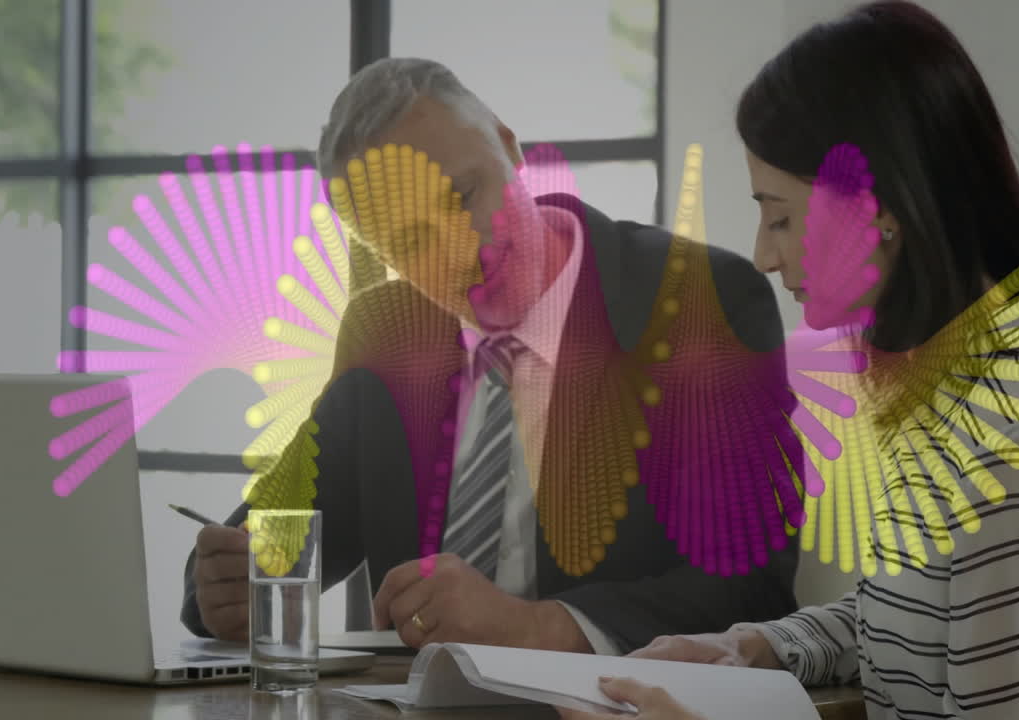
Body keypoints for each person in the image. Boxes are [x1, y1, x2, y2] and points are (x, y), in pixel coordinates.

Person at [560, 1, 1019, 717]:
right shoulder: (958, 392)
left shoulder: (1012, 448)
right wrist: (756, 646)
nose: (764, 254)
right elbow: (913, 617)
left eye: (781, 215)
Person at [180, 57, 800, 655]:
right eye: (412, 240)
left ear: (509, 144)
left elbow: (751, 585)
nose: (461, 252)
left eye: (463, 195)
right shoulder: (388, 334)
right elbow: (262, 541)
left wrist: (537, 627)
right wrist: (222, 586)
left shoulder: (701, 301)